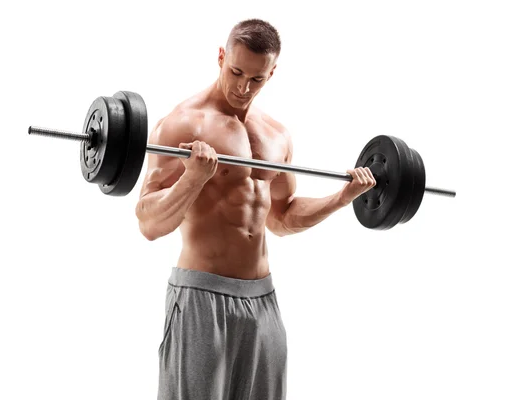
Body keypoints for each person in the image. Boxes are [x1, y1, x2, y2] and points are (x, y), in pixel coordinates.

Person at [135, 18, 375, 400]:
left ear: (272, 72)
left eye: (257, 79)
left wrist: (341, 198)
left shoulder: (277, 135)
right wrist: (192, 179)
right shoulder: (180, 125)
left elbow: (281, 217)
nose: (244, 87)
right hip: (201, 298)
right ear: (220, 56)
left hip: (263, 299)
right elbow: (148, 222)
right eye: (235, 72)